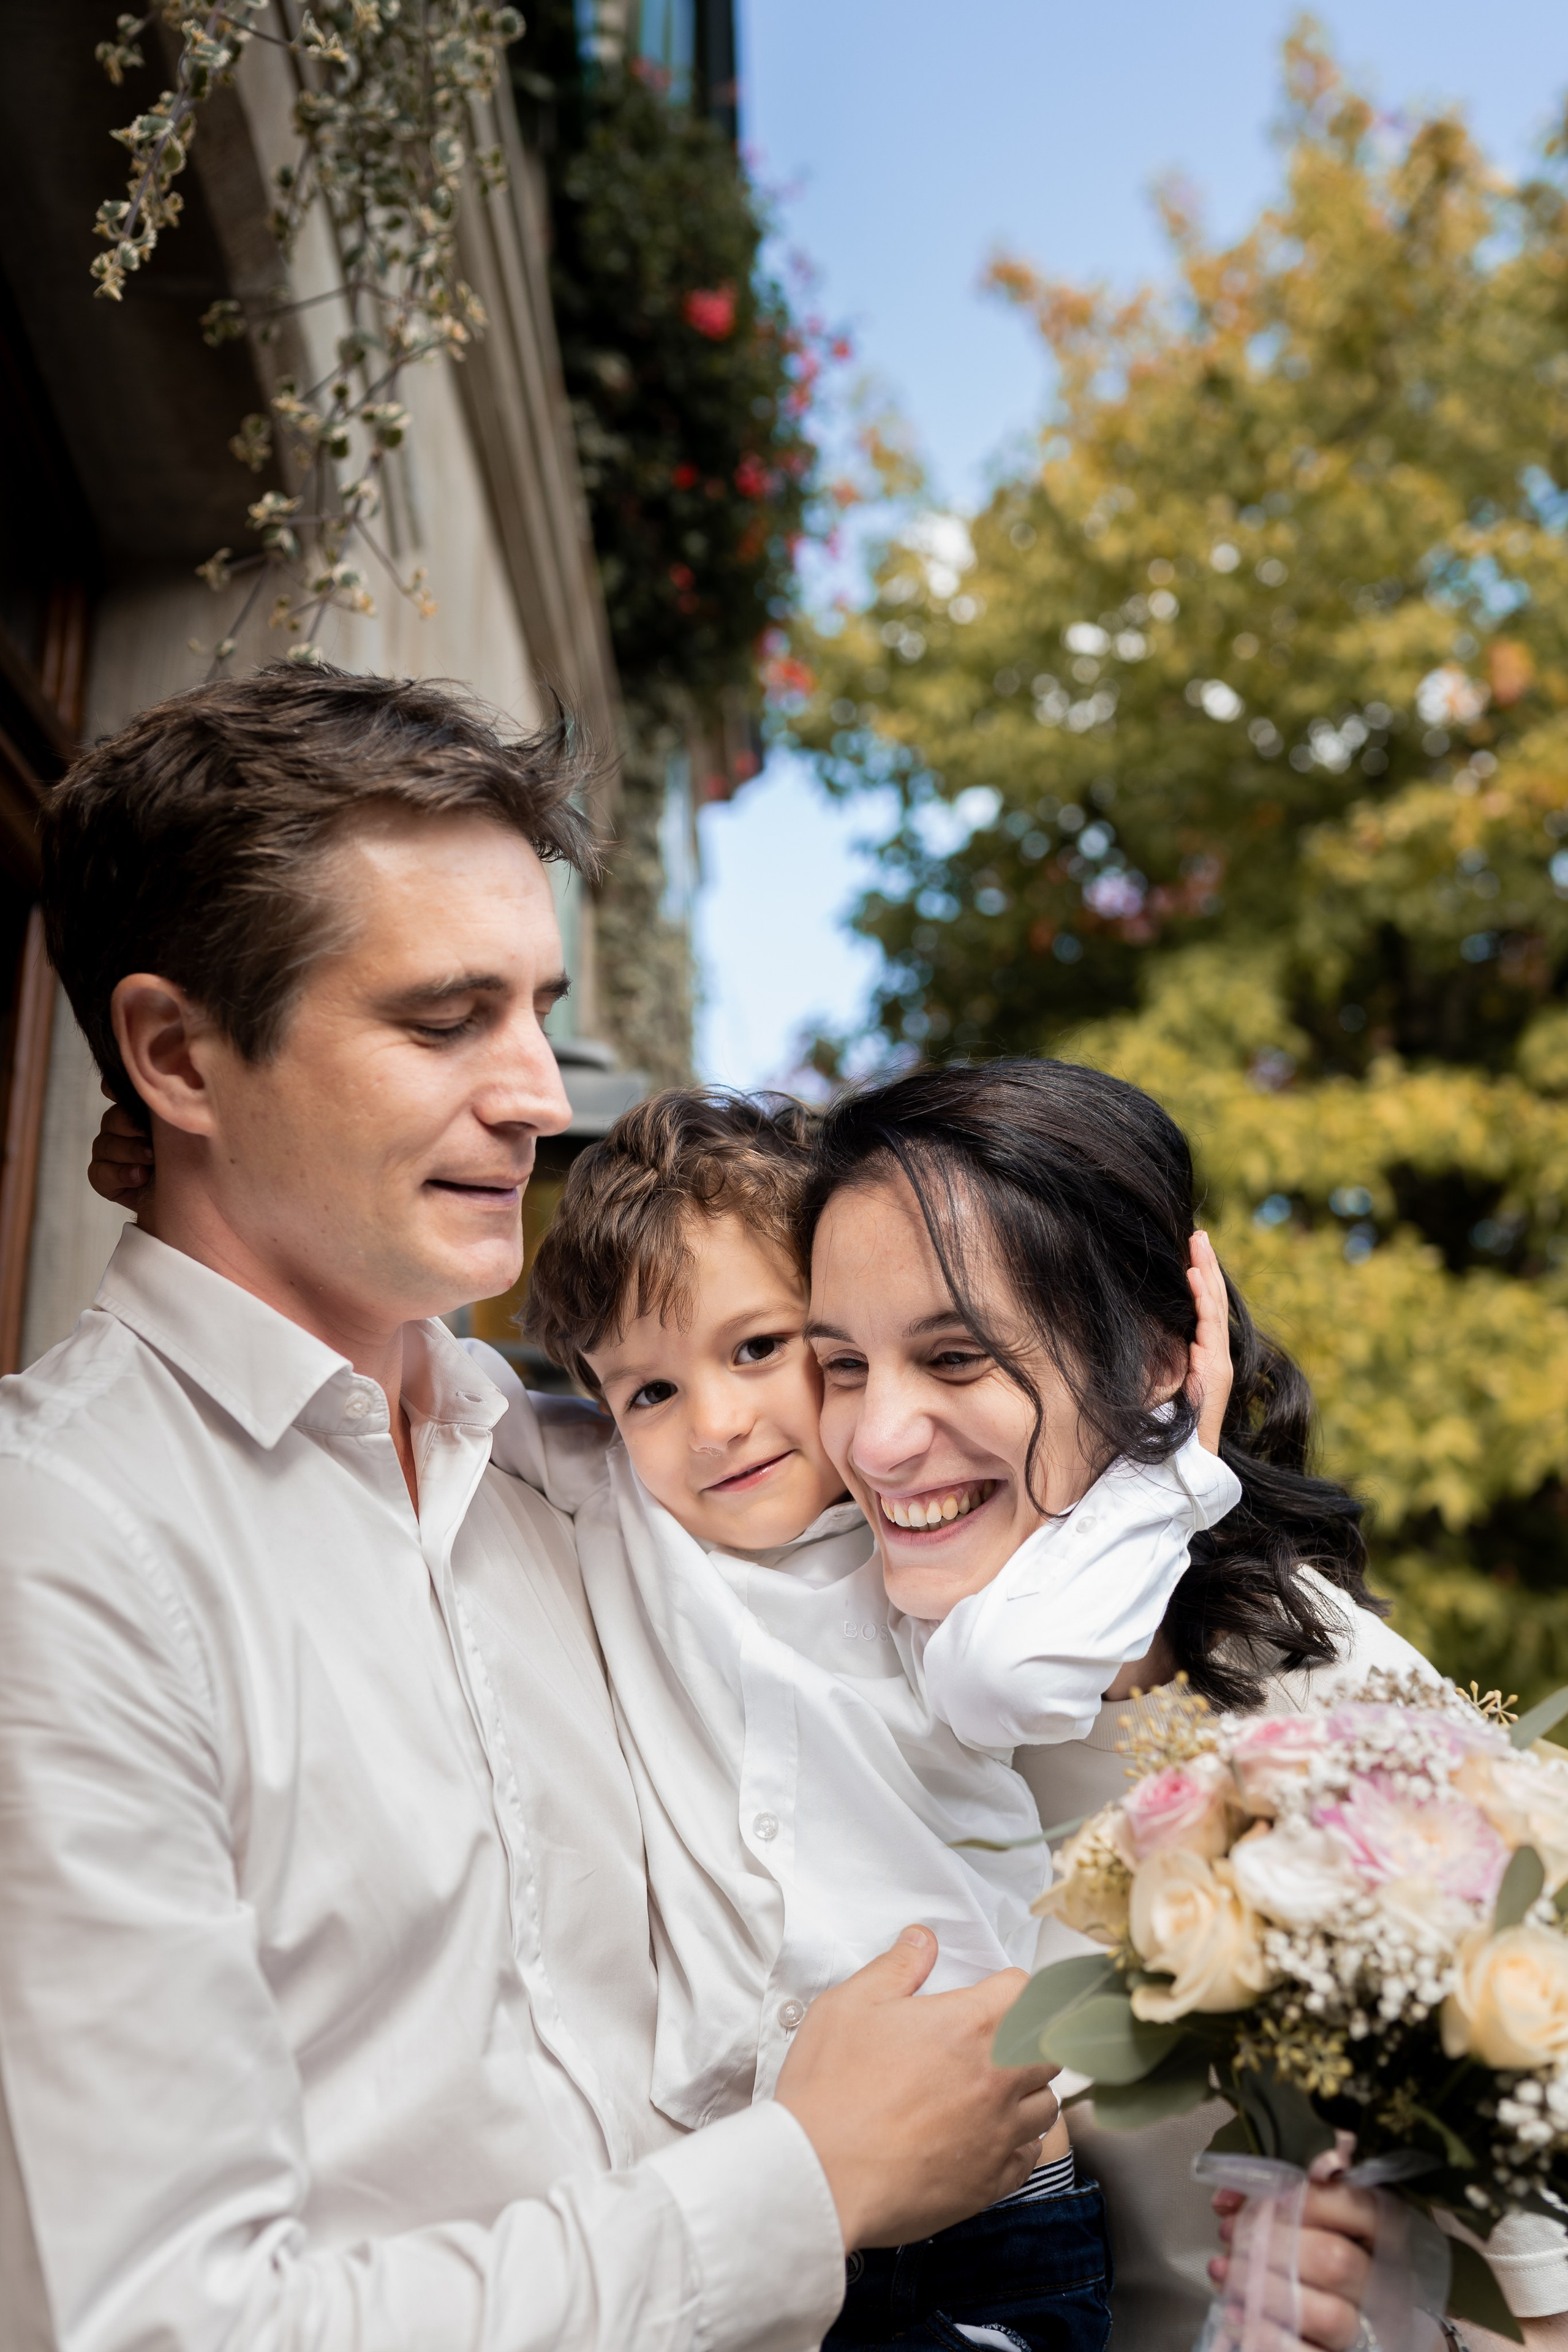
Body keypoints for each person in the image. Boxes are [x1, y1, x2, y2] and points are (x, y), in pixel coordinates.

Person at [0, 665, 1064, 2352]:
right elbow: (164, 2329)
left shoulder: (599, 1472)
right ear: (176, 1056)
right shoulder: (58, 1553)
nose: (540, 1096)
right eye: (443, 1021)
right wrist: (809, 2181)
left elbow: (1002, 1713)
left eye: (536, 1008)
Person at [799, 1055, 1568, 2352]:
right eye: (835, 1365)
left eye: (954, 1358)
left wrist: (1412, 2314)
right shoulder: (803, 1666)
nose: (877, 1441)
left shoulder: (1348, 1728)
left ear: (1161, 1356)